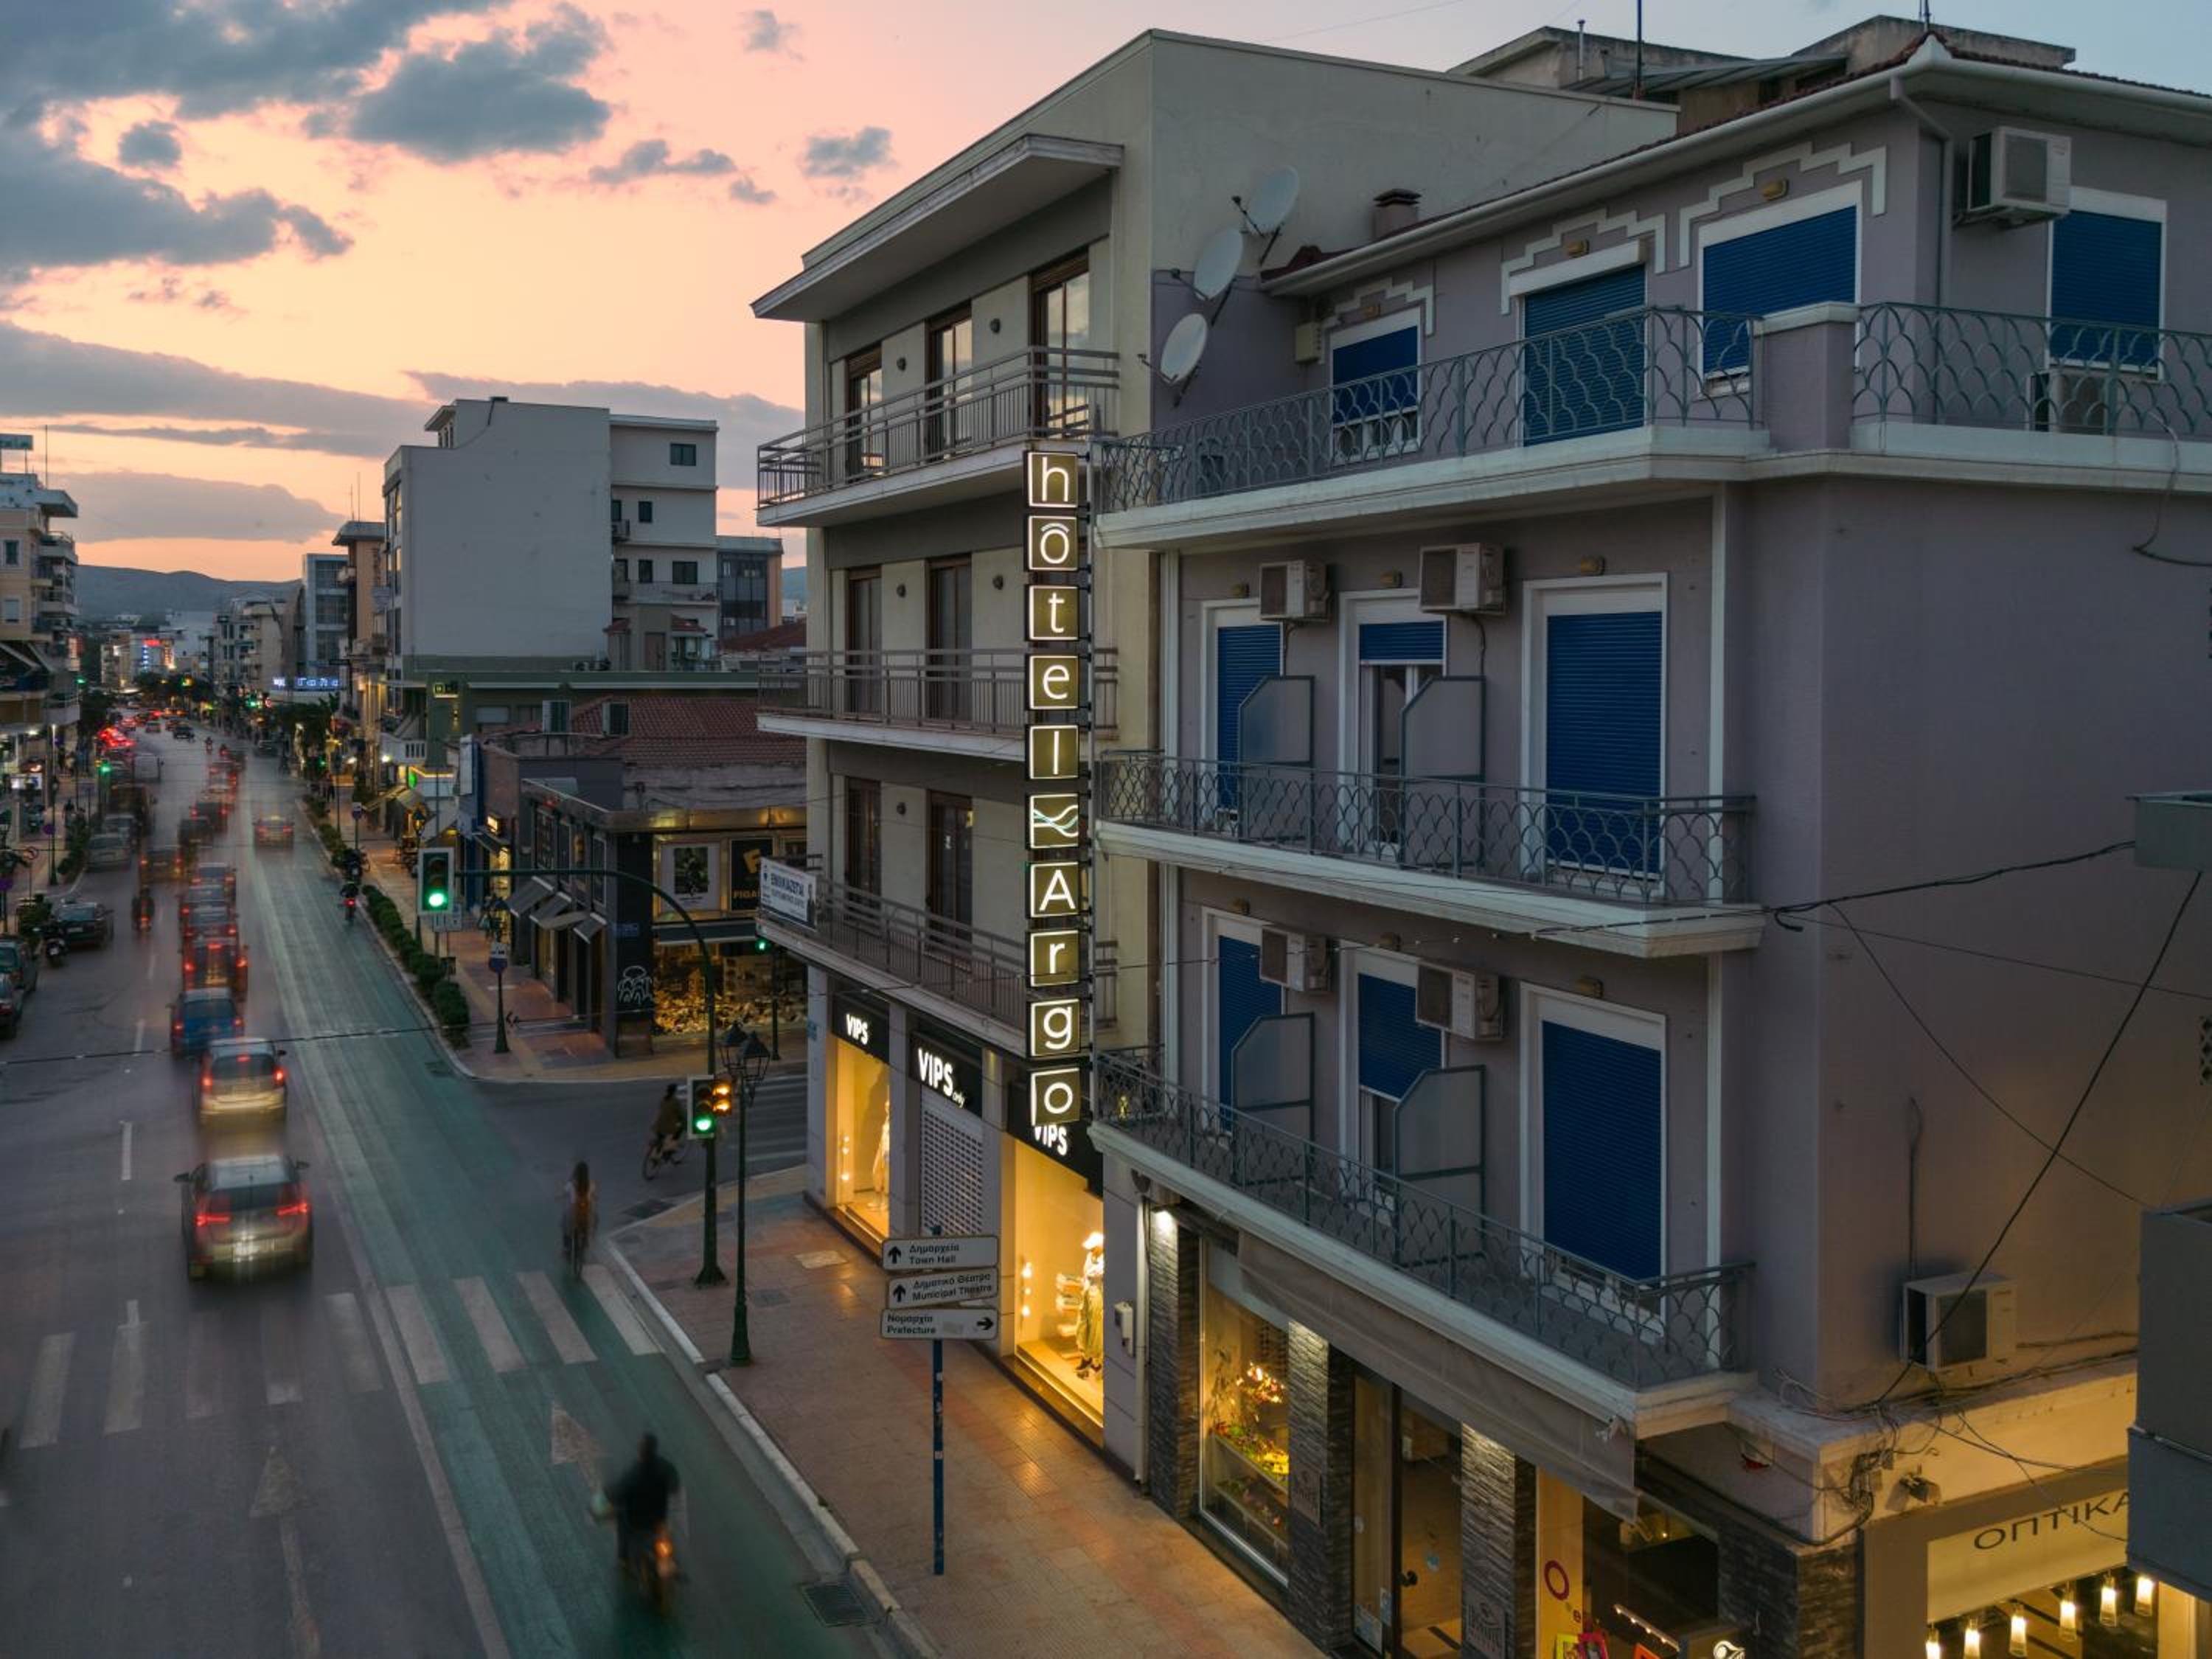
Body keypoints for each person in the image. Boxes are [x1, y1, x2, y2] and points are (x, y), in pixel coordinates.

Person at [605, 1433, 680, 1573]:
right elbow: (674, 1484)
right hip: (658, 1519)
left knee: (621, 1519)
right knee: (666, 1536)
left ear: (641, 1451)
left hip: (635, 1522)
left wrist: (609, 1496)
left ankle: (624, 1558)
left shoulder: (634, 1473)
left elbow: (618, 1492)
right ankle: (668, 1561)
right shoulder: (664, 1467)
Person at [562, 1160, 596, 1257]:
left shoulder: (571, 1184)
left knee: (564, 1225)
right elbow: (593, 1195)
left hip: (573, 1213)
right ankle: (586, 1240)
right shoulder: (591, 1184)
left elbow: (564, 1192)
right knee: (594, 1220)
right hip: (586, 1212)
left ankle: (566, 1248)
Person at [650, 1085, 684, 1160]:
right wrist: (682, 1119)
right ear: (674, 1091)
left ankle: (655, 1156)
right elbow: (681, 1114)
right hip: (668, 1126)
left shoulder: (663, 1100)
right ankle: (670, 1149)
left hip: (658, 1124)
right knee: (679, 1131)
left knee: (660, 1138)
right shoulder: (675, 1101)